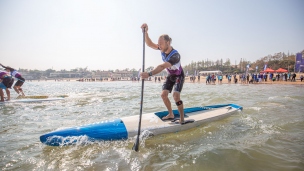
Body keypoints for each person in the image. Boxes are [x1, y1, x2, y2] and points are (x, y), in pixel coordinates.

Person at [140, 23, 185, 124]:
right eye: (159, 44)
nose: (159, 46)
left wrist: (149, 74)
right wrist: (146, 32)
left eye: (161, 44)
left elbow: (162, 66)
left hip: (179, 76)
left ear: (168, 43)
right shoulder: (162, 48)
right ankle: (171, 114)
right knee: (163, 95)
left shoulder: (175, 55)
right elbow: (149, 44)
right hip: (171, 75)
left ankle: (182, 119)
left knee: (176, 96)